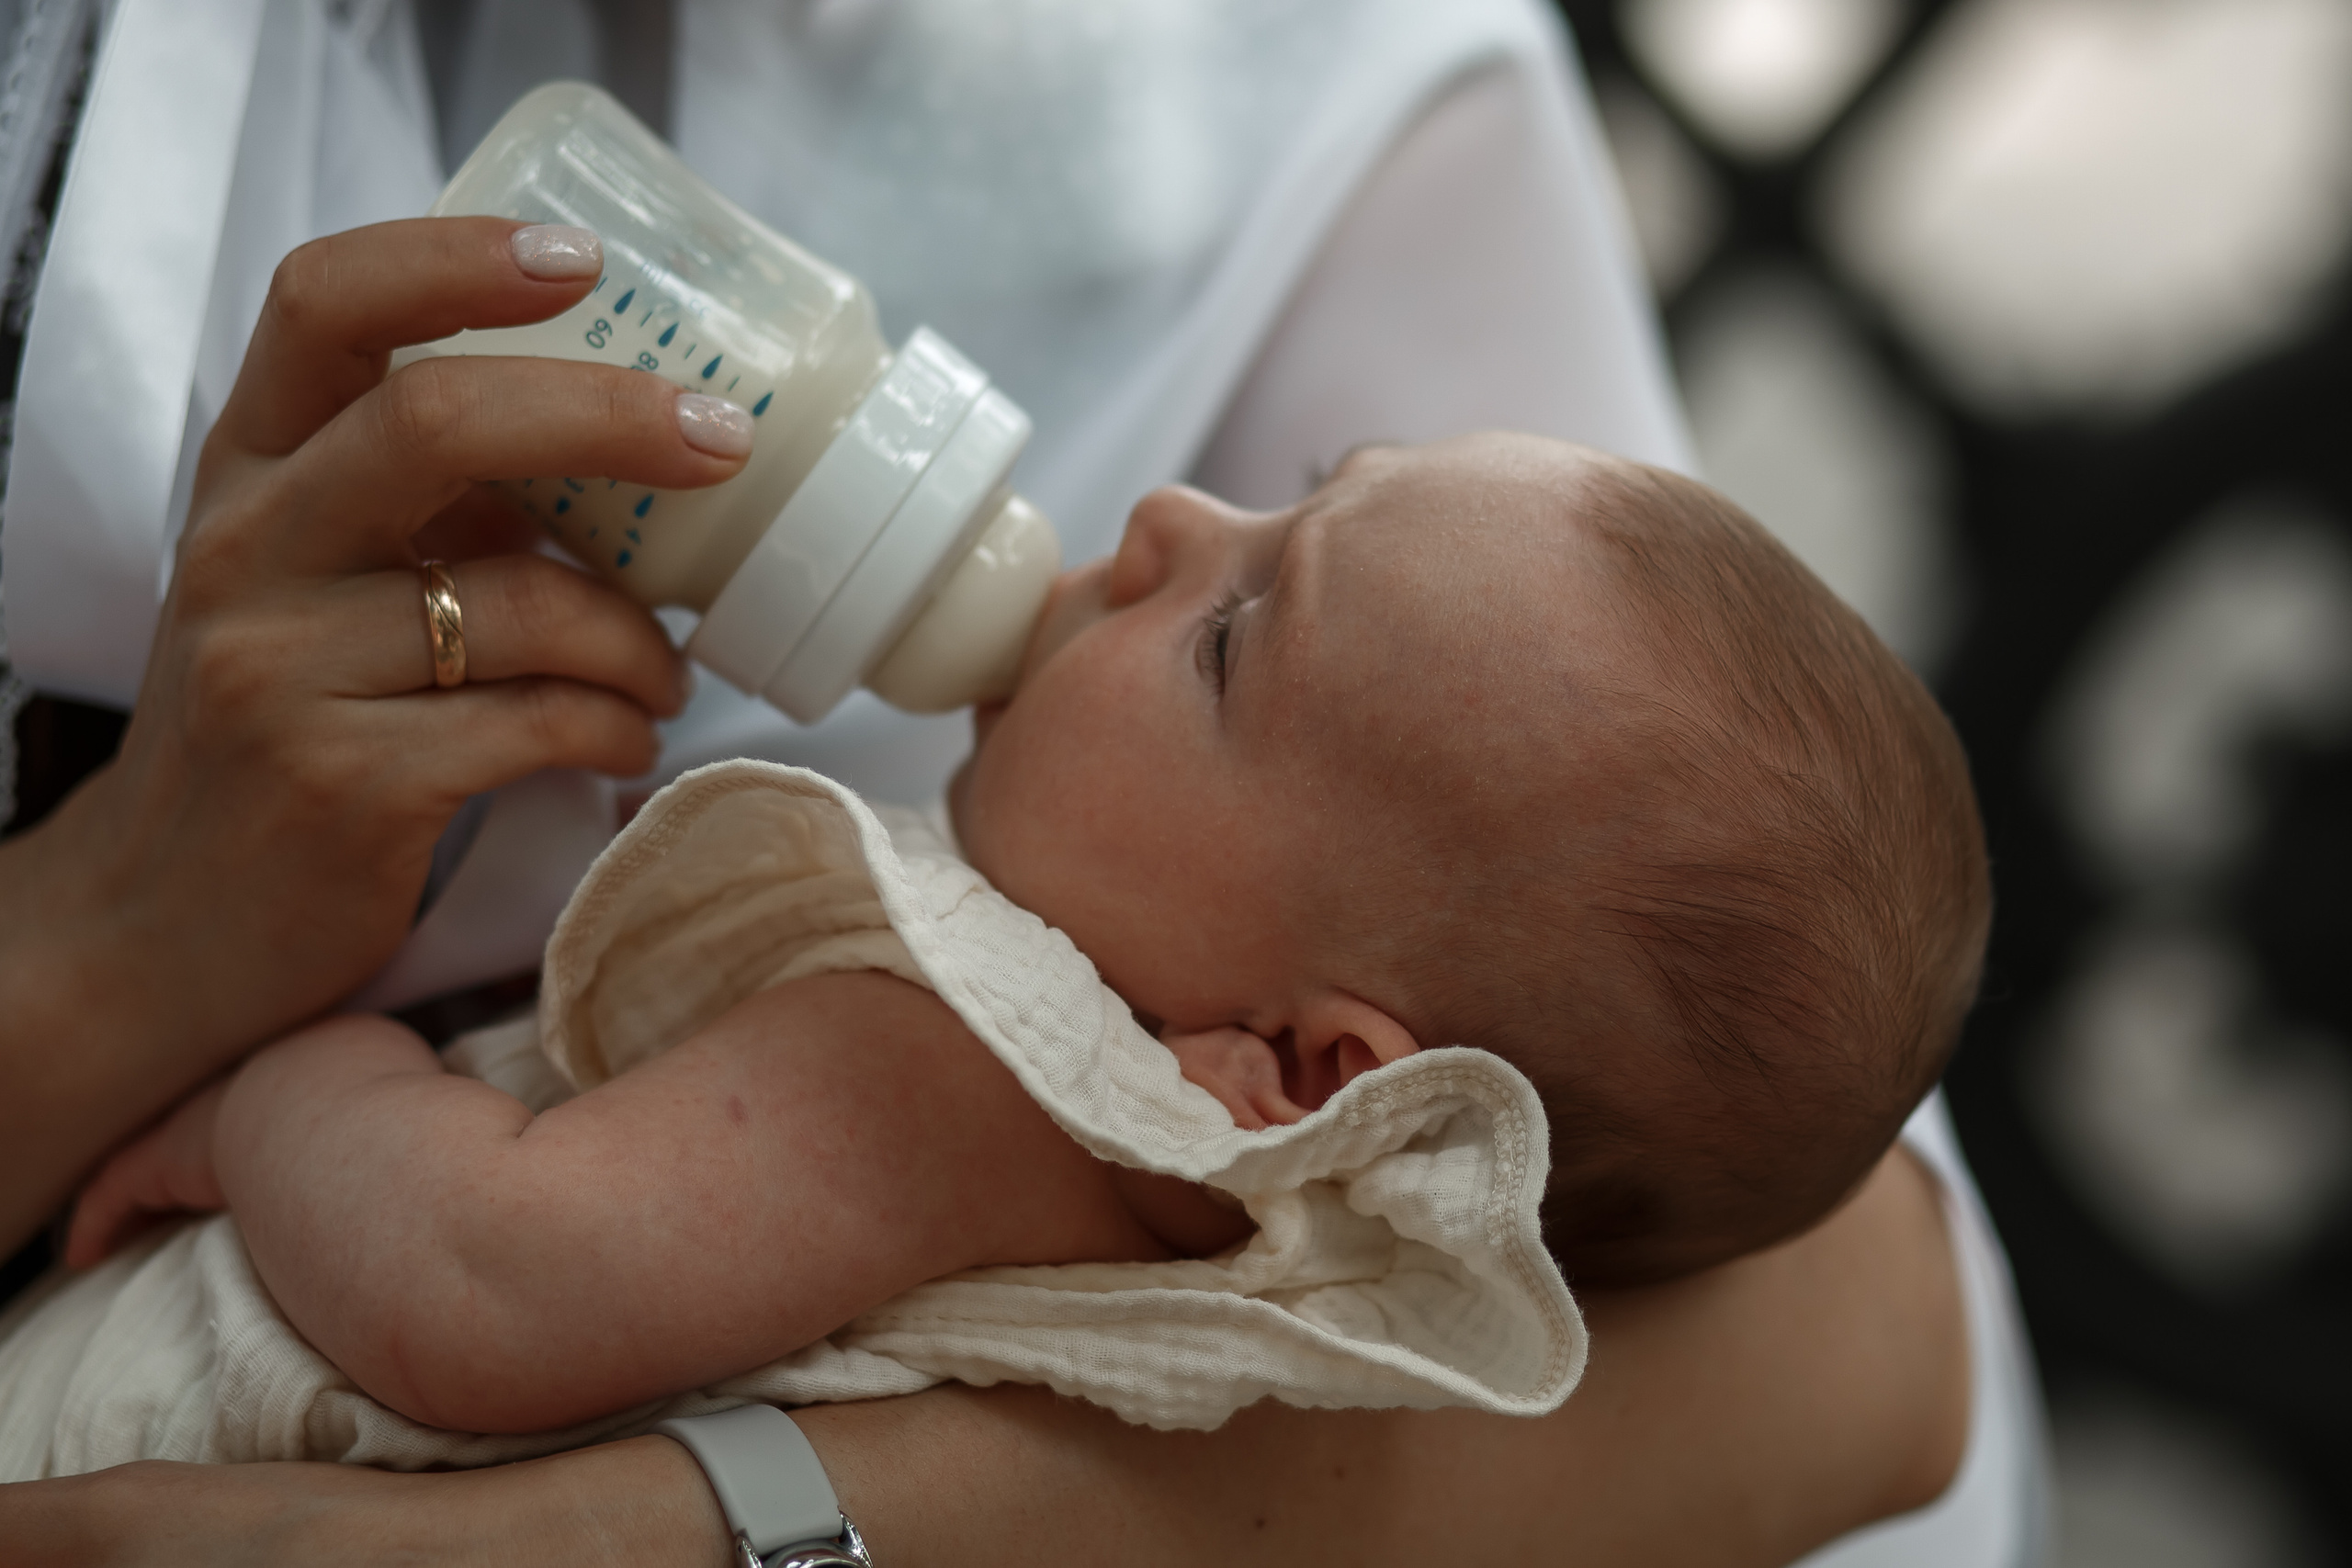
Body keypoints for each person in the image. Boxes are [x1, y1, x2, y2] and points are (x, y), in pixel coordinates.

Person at [0, 2, 2044, 1562]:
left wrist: (282, 1092)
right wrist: (123, 948)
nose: (1156, 510)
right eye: (1280, 496)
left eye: (1236, 631)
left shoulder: (974, 1054)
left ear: (1303, 1075)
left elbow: (484, 1273)